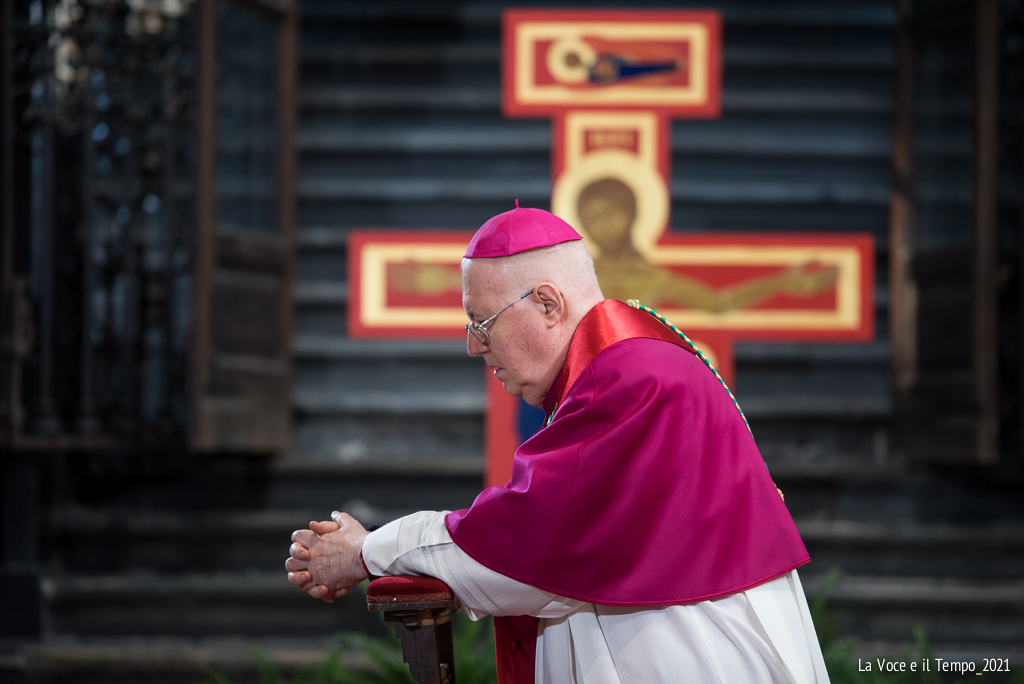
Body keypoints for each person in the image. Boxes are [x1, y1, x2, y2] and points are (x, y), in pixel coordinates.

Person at [286, 204, 830, 684]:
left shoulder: (626, 381)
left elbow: (517, 548)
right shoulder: (638, 362)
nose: (474, 347)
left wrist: (366, 551)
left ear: (548, 304)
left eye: (483, 322)